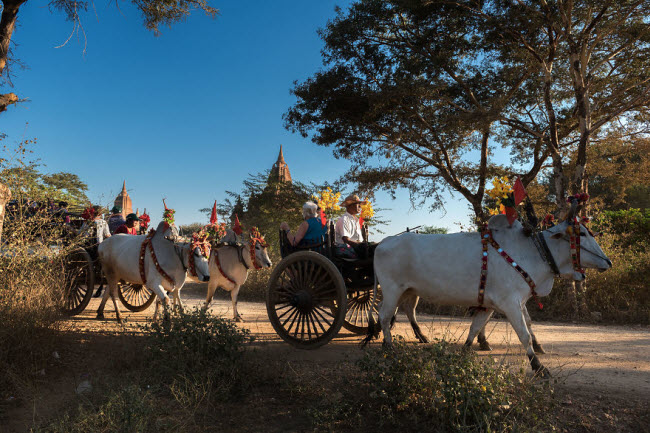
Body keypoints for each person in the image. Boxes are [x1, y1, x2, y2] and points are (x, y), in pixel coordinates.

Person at [335, 194, 375, 259]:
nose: (360, 206)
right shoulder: (343, 219)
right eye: (358, 204)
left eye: (360, 204)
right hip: (346, 248)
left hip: (355, 246)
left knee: (375, 246)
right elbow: (346, 240)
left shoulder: (356, 220)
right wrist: (360, 245)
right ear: (350, 206)